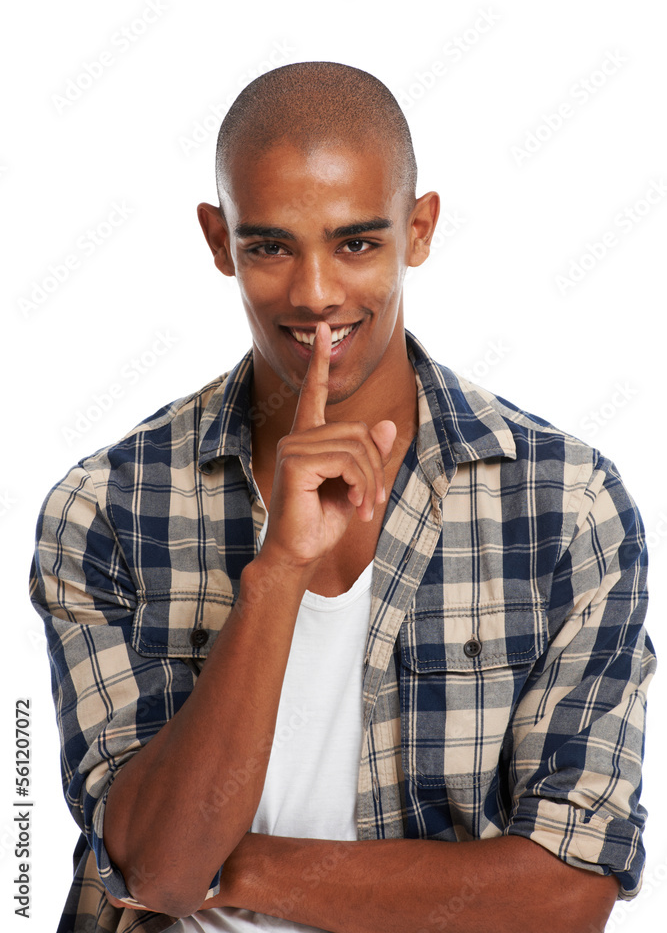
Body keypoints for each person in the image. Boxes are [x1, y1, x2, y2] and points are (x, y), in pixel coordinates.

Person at [30, 61, 655, 933]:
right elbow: (161, 871)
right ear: (219, 242)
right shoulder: (105, 507)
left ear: (419, 229)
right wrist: (279, 571)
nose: (315, 292)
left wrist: (237, 866)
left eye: (356, 243)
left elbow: (564, 894)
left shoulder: (564, 504)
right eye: (270, 246)